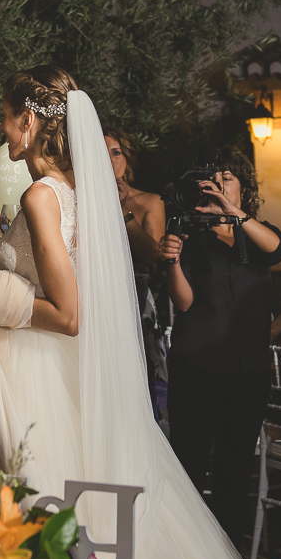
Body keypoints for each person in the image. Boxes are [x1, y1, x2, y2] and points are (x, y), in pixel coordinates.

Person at [0, 66, 247, 559]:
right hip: (65, 371)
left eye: (6, 116)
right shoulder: (80, 193)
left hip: (32, 374)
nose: (1, 127)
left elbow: (68, 313)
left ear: (30, 122)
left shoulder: (42, 196)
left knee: (22, 500)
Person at [158, 146, 281, 543]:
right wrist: (172, 261)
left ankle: (229, 558)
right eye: (210, 180)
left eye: (226, 179)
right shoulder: (191, 233)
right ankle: (186, 552)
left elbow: (279, 251)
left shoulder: (259, 233)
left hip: (249, 371)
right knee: (189, 465)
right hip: (197, 367)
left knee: (235, 471)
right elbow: (184, 303)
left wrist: (233, 214)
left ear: (242, 189)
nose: (216, 186)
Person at [103, 128, 167, 412]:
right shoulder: (83, 200)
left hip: (136, 302)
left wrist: (121, 211)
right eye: (102, 152)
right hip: (97, 299)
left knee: (140, 384)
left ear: (128, 158)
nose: (109, 159)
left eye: (116, 152)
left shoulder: (150, 201)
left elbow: (153, 255)